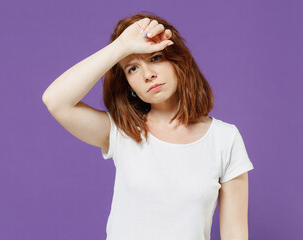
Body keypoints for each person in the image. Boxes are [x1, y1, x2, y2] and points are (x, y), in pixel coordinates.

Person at [42, 11, 254, 240]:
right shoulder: (122, 132)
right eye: (132, 68)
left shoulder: (224, 139)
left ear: (178, 63)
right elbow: (55, 100)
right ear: (129, 84)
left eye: (155, 58)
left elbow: (235, 233)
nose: (148, 75)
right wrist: (121, 46)